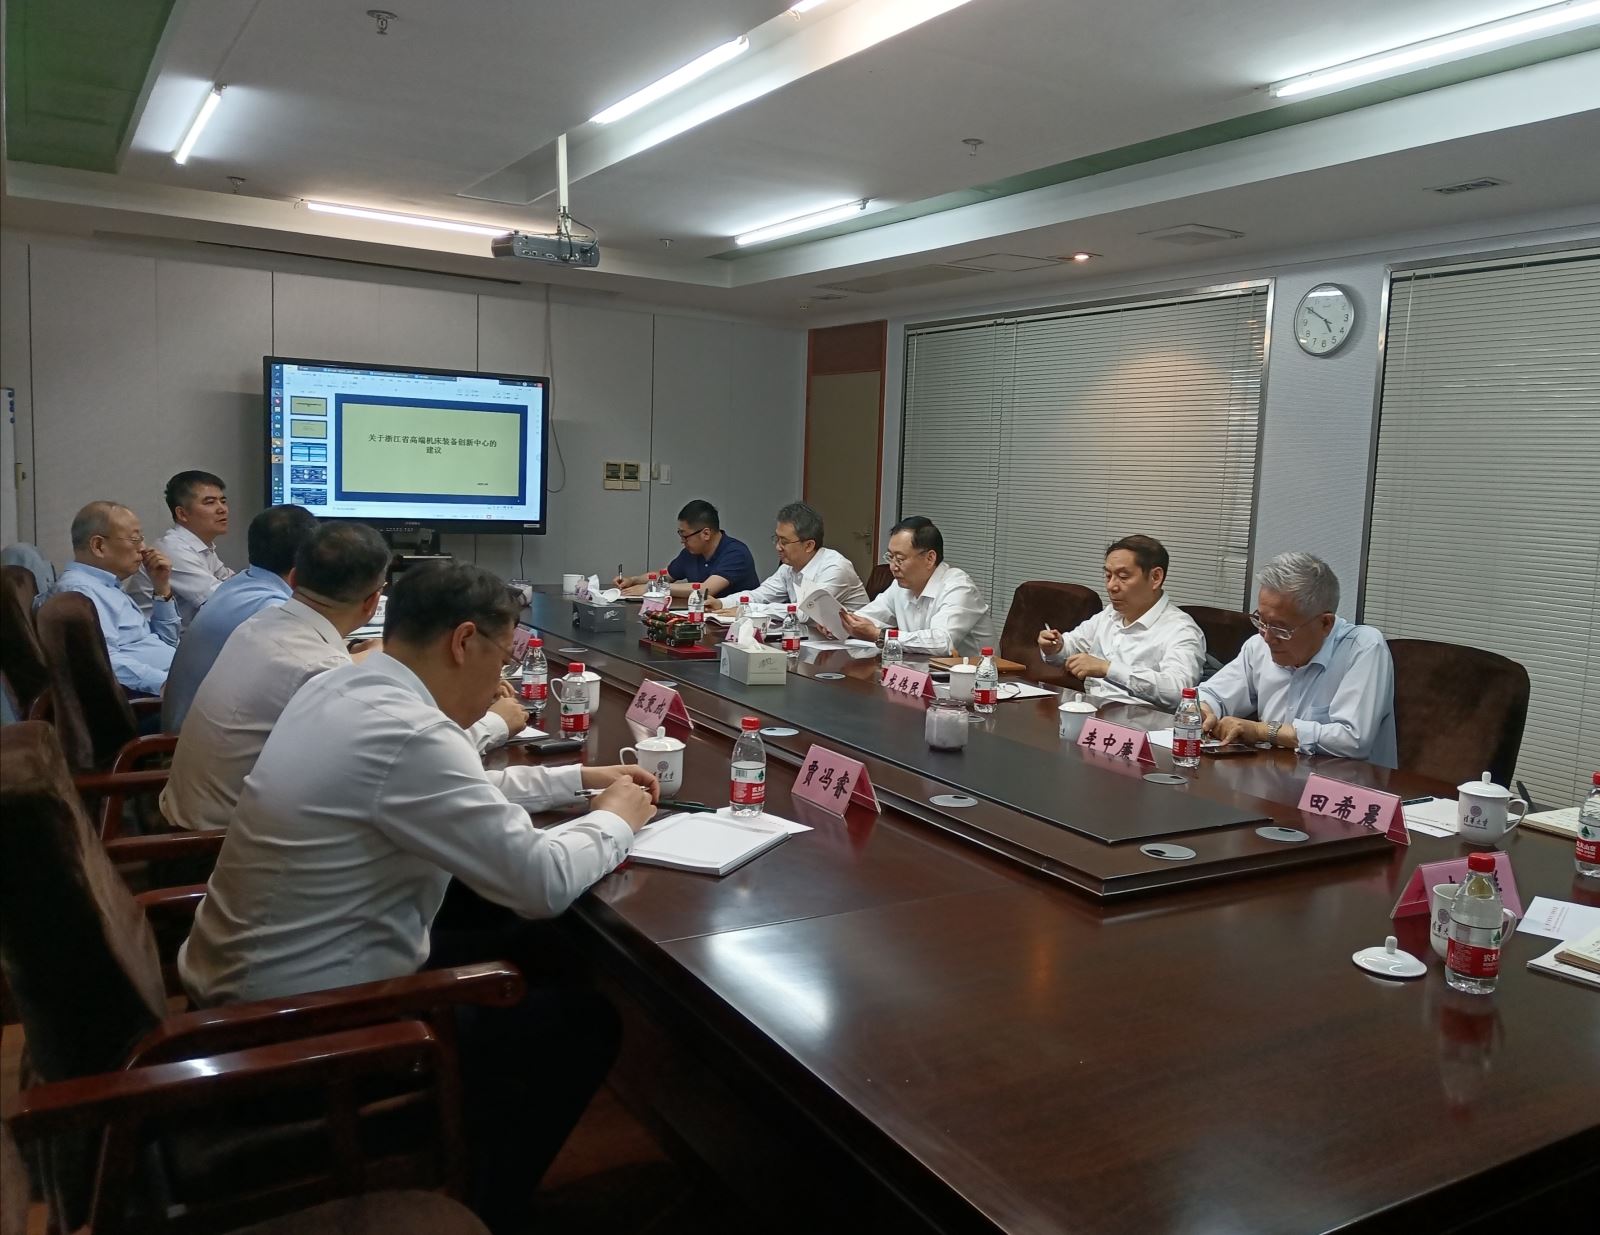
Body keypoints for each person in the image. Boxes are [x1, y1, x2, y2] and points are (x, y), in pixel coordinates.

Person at [179, 560, 657, 1230]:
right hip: (298, 1034)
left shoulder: (344, 684)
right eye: (503, 657)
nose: (501, 679)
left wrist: (577, 780)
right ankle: (482, 1208)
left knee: (524, 948)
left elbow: (445, 787)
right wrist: (616, 820)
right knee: (582, 1021)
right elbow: (541, 882)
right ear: (464, 641)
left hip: (248, 991)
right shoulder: (410, 731)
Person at [160, 523, 532, 833]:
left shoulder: (260, 624)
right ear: (373, 602)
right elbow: (406, 760)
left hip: (188, 813)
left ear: (293, 579)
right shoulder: (321, 671)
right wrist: (496, 723)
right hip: (210, 844)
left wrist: (370, 653)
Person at [1199, 551, 1396, 767]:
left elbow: (1352, 739)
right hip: (1275, 777)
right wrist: (1203, 710)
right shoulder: (1259, 646)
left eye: (1281, 628)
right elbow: (1212, 694)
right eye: (1261, 621)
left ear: (1325, 623)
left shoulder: (1363, 648)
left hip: (1346, 783)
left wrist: (1262, 730)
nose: (1267, 637)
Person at [160, 505, 318, 733]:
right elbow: (316, 677)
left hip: (191, 731)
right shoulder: (271, 610)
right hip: (189, 743)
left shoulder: (239, 583)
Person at [1036, 535, 1205, 708]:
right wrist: (1056, 647)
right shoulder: (1110, 614)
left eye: (1123, 576)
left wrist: (1108, 669)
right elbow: (1072, 646)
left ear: (1155, 577)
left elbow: (1178, 692)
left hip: (1143, 720)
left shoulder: (1181, 629)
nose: (1111, 586)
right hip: (1095, 712)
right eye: (1108, 576)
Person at [51, 501, 178, 696]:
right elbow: (104, 661)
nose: (144, 548)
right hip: (153, 696)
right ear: (99, 546)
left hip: (174, 679)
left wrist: (161, 587)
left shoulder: (106, 586)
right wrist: (166, 685)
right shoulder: (81, 593)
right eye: (135, 539)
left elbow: (166, 642)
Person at [841, 516, 995, 657]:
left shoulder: (959, 588)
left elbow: (942, 642)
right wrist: (841, 623)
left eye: (900, 559)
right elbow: (868, 617)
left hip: (976, 675)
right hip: (921, 670)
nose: (892, 567)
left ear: (930, 558)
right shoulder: (900, 586)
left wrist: (880, 635)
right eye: (890, 557)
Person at [712, 500, 869, 615]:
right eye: (777, 539)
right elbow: (760, 595)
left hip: (853, 645)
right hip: (814, 640)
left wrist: (747, 610)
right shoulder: (788, 568)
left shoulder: (835, 568)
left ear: (809, 545)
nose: (778, 547)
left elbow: (807, 612)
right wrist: (720, 603)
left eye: (784, 542)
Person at [126, 470, 234, 627]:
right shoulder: (172, 549)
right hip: (155, 637)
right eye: (210, 502)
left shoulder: (202, 547)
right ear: (182, 513)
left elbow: (232, 583)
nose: (222, 509)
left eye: (223, 501)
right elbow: (223, 601)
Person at [614, 499, 760, 598]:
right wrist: (633, 580)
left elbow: (705, 589)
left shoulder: (736, 553)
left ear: (706, 533)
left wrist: (653, 588)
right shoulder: (691, 553)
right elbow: (664, 575)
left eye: (685, 536)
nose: (682, 541)